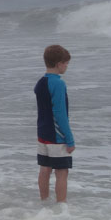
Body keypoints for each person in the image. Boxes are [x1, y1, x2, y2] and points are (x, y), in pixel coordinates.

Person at [35, 44, 75, 203]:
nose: (67, 67)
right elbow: (60, 114)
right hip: (57, 136)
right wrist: (69, 139)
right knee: (62, 171)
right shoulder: (58, 83)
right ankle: (61, 207)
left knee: (45, 169)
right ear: (59, 64)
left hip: (42, 133)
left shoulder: (40, 82)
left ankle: (44, 202)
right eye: (66, 63)